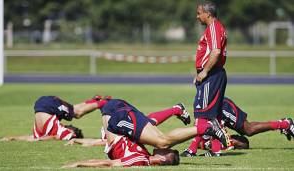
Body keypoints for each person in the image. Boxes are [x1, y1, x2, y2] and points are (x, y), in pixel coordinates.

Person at [63, 98, 228, 168]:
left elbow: (109, 164)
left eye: (169, 151)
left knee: (154, 133)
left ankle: (176, 110)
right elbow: (110, 163)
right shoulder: (142, 157)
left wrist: (80, 162)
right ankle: (206, 127)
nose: (166, 149)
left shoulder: (142, 158)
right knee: (161, 140)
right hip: (116, 116)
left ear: (162, 159)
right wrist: (79, 163)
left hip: (114, 112)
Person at [180, 97, 294, 157]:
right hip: (214, 108)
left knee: (249, 129)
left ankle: (285, 124)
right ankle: (195, 150)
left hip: (222, 107)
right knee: (243, 141)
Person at [192, 0, 228, 156]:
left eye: (199, 13)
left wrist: (204, 72)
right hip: (213, 74)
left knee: (203, 113)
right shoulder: (214, 27)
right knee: (212, 114)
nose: (197, 16)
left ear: (208, 14)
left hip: (212, 75)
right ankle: (215, 150)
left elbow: (216, 52)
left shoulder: (213, 27)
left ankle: (192, 149)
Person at [0, 95, 106, 141]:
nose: (71, 126)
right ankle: (101, 102)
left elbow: (30, 138)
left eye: (73, 128)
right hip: (44, 106)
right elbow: (36, 139)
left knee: (75, 113)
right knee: (75, 112)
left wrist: (11, 137)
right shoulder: (64, 133)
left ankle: (96, 101)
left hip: (45, 105)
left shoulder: (58, 132)